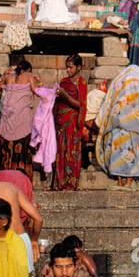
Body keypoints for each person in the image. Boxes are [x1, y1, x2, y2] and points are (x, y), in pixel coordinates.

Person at [95, 65, 139, 186]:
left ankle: (120, 181)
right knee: (132, 154)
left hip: (117, 131)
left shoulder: (118, 97)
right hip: (132, 132)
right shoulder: (137, 96)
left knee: (118, 155)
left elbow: (108, 113)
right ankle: (129, 181)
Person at [0, 61, 40, 177]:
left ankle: (7, 177)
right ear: (28, 69)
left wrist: (3, 76)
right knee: (22, 149)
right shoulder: (29, 75)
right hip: (23, 118)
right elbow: (37, 92)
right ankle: (22, 177)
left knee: (7, 150)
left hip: (7, 119)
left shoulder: (9, 77)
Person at [52, 55, 87, 191]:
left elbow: (81, 104)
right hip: (61, 123)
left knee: (71, 152)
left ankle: (70, 183)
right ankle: (59, 182)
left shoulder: (81, 82)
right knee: (60, 151)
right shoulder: (64, 81)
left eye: (70, 67)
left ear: (78, 67)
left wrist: (66, 95)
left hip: (72, 123)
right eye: (67, 67)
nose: (68, 70)